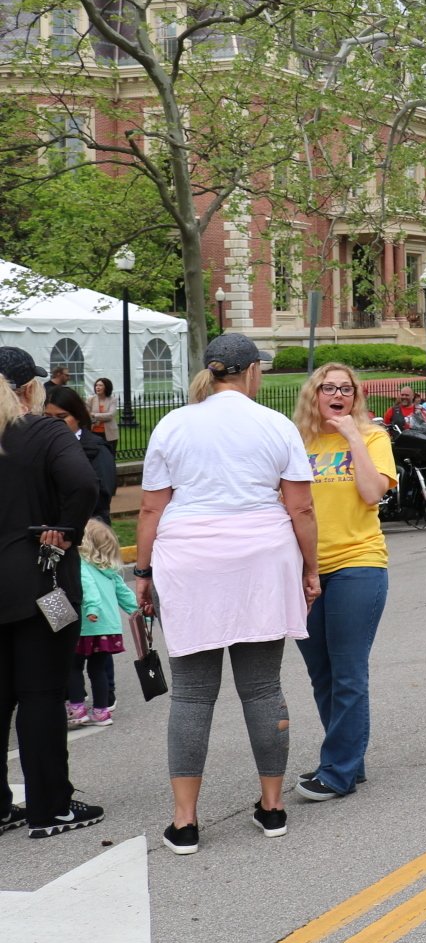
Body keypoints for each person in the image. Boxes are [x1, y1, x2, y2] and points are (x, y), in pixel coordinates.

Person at [135, 333, 318, 854]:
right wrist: (311, 568)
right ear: (253, 372)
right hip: (261, 559)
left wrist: (144, 571)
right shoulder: (275, 424)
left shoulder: (173, 424)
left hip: (189, 562)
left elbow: (151, 509)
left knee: (193, 693)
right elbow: (300, 509)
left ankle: (185, 821)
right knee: (262, 687)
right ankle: (272, 806)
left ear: (212, 373)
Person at [0, 346, 102, 839]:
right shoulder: (39, 432)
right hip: (37, 580)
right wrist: (65, 528)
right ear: (26, 389)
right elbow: (83, 482)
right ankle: (50, 805)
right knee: (40, 695)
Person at [292, 362, 398, 802]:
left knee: (349, 670)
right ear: (313, 395)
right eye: (328, 387)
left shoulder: (374, 437)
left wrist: (354, 436)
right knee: (322, 672)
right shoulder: (298, 442)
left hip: (358, 563)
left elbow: (373, 493)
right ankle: (348, 760)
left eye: (346, 388)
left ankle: (337, 770)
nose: (337, 394)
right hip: (304, 569)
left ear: (356, 396)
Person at [68, 520, 138, 726]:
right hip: (108, 628)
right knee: (98, 669)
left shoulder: (81, 564)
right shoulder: (110, 570)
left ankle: (77, 709)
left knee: (73, 667)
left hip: (87, 626)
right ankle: (101, 712)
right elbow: (125, 594)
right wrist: (139, 612)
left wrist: (91, 609)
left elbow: (88, 588)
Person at [44, 385, 114, 523]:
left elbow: (102, 495)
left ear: (78, 417)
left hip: (87, 529)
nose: (54, 423)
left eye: (62, 417)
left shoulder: (97, 449)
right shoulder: (39, 447)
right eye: (47, 417)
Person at [89, 377, 119, 455]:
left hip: (109, 434)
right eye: (96, 385)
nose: (97, 387)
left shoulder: (112, 400)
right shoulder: (91, 399)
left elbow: (110, 415)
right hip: (94, 432)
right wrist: (100, 416)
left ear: (106, 387)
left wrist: (94, 415)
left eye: (100, 385)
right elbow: (86, 414)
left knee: (110, 455)